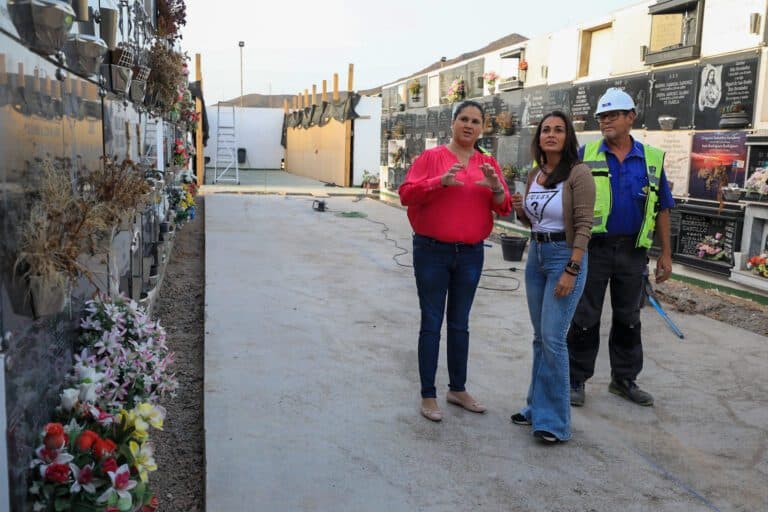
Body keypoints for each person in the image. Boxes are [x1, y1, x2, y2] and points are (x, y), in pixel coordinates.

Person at [399, 100, 511, 422]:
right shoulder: (431, 158)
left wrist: (496, 188)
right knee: (432, 322)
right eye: (463, 118)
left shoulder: (487, 164)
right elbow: (406, 193)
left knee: (460, 323)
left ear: (482, 127)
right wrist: (439, 182)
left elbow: (502, 207)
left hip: (471, 254)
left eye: (476, 121)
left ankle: (457, 388)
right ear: (453, 122)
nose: (469, 125)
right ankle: (428, 394)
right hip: (432, 252)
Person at [567, 88, 675, 408]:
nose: (605, 122)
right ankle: (575, 379)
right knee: (585, 316)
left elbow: (663, 208)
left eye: (613, 115)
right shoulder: (585, 155)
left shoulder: (651, 159)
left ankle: (624, 379)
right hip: (593, 249)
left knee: (629, 318)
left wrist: (665, 254)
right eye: (601, 116)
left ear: (631, 118)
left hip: (632, 252)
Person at [509, 111, 595, 444]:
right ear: (539, 137)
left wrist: (572, 269)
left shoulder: (578, 173)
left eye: (559, 130)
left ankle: (555, 422)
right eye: (546, 130)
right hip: (537, 257)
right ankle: (535, 407)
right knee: (539, 337)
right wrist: (520, 209)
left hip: (564, 257)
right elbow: (533, 223)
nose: (551, 134)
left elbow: (584, 225)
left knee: (553, 339)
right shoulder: (534, 175)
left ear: (567, 136)